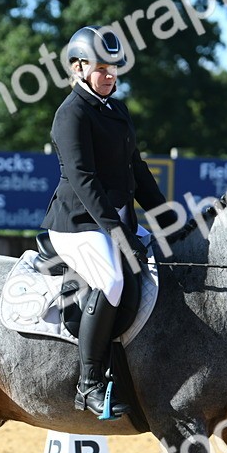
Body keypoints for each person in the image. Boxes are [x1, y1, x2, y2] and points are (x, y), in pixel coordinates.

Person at [41, 25, 171, 420]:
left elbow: (136, 169)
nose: (110, 75)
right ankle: (89, 383)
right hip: (76, 224)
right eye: (101, 68)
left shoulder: (117, 109)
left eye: (114, 67)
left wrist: (164, 215)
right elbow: (84, 181)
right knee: (111, 280)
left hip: (113, 220)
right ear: (78, 68)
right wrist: (117, 234)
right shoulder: (71, 114)